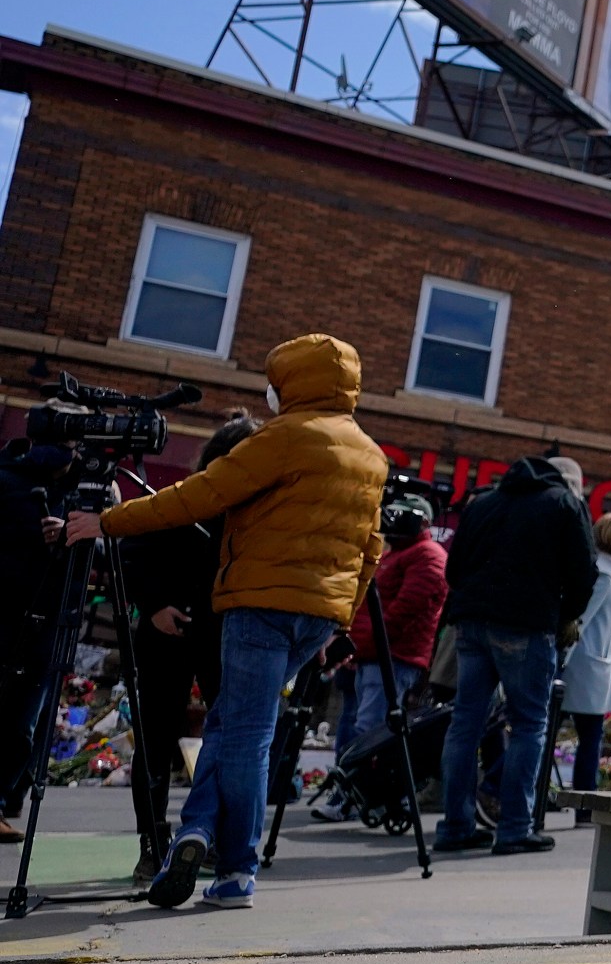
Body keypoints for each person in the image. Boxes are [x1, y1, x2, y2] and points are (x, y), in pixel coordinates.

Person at [68, 335, 388, 911]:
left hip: (259, 604)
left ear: (290, 382)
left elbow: (200, 494)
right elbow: (371, 550)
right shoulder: (370, 453)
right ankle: (197, 832)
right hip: (319, 614)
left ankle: (235, 866)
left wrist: (107, 521)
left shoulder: (285, 438)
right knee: (232, 722)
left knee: (245, 732)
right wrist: (342, 614)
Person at [435, 455, 595, 855]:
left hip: (470, 623)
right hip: (526, 625)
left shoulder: (484, 501)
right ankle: (514, 828)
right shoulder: (563, 504)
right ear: (569, 482)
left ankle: (455, 825)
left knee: (464, 724)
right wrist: (566, 615)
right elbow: (583, 572)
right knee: (528, 725)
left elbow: (453, 569)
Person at [115, 411, 259, 852]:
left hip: (223, 633)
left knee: (228, 737)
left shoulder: (254, 512)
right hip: (170, 633)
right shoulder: (182, 499)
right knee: (157, 738)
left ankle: (207, 835)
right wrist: (155, 605)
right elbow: (131, 552)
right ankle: (153, 839)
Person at [311, 487, 444, 822]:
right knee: (356, 723)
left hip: (393, 656)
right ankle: (352, 793)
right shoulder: (397, 553)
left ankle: (355, 797)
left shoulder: (426, 556)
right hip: (373, 654)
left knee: (370, 729)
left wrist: (362, 646)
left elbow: (401, 614)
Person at [0, 441, 74, 843]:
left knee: (23, 720)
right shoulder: (7, 479)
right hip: (6, 610)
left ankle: (3, 798)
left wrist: (74, 538)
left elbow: (109, 552)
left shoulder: (92, 491)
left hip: (51, 618)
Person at [562, 512, 611, 818]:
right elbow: (578, 622)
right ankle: (583, 807)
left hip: (587, 665)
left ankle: (581, 806)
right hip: (583, 665)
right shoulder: (607, 576)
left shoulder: (609, 573)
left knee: (585, 738)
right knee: (588, 739)